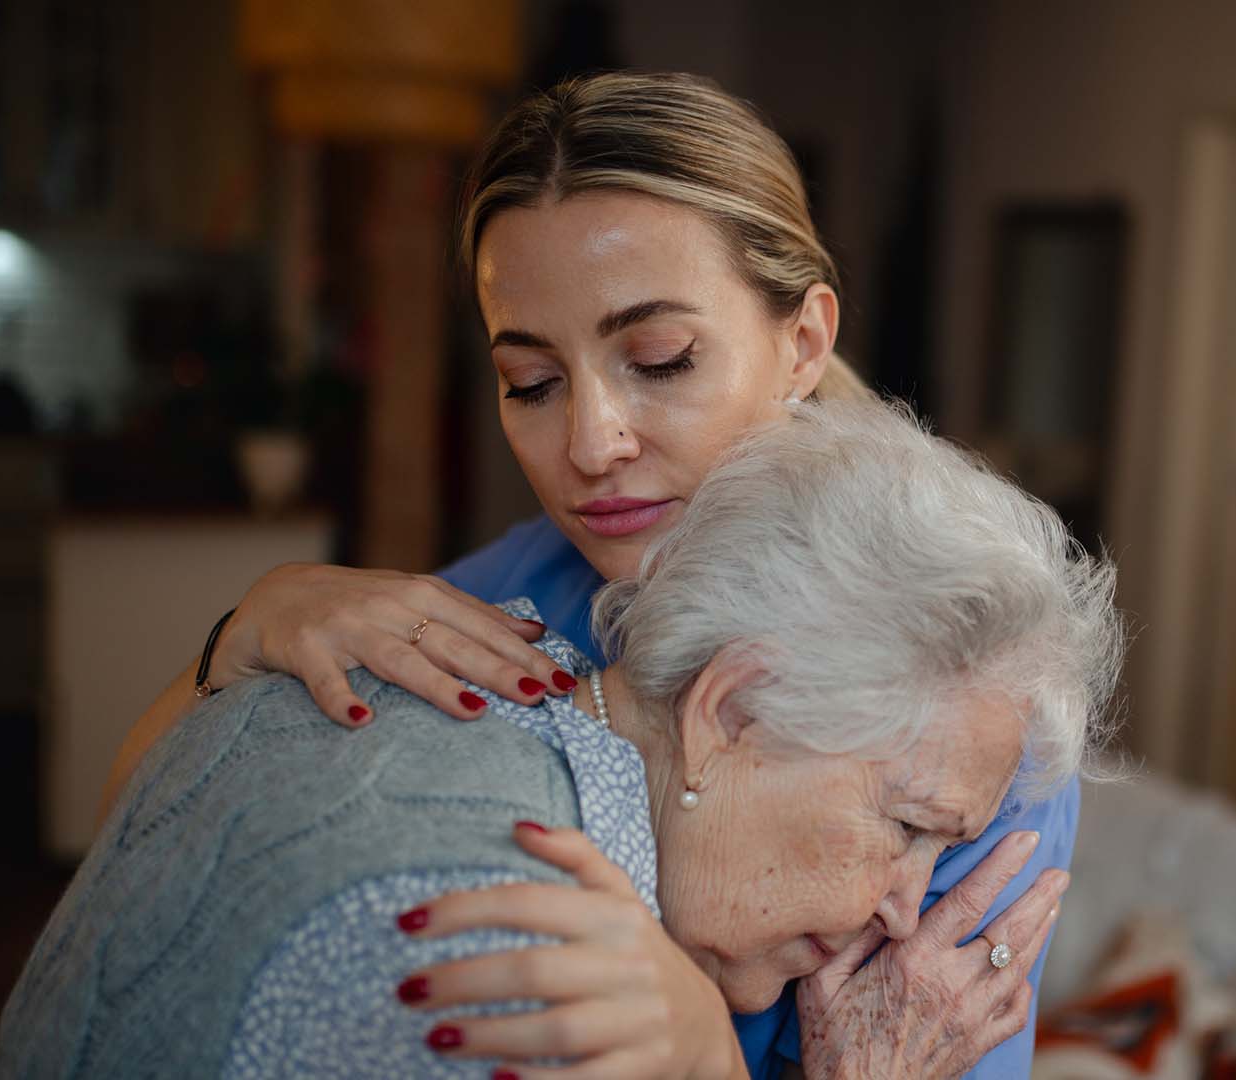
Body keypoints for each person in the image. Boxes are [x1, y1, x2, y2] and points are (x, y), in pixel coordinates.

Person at [99, 71, 1091, 1077]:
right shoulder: (496, 605)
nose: (590, 441)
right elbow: (145, 862)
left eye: (659, 359)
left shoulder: (951, 703)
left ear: (802, 344)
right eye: (529, 381)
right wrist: (243, 634)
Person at [0, 400, 1123, 1079]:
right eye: (909, 826)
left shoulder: (454, 673)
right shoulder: (540, 970)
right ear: (730, 712)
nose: (902, 907)